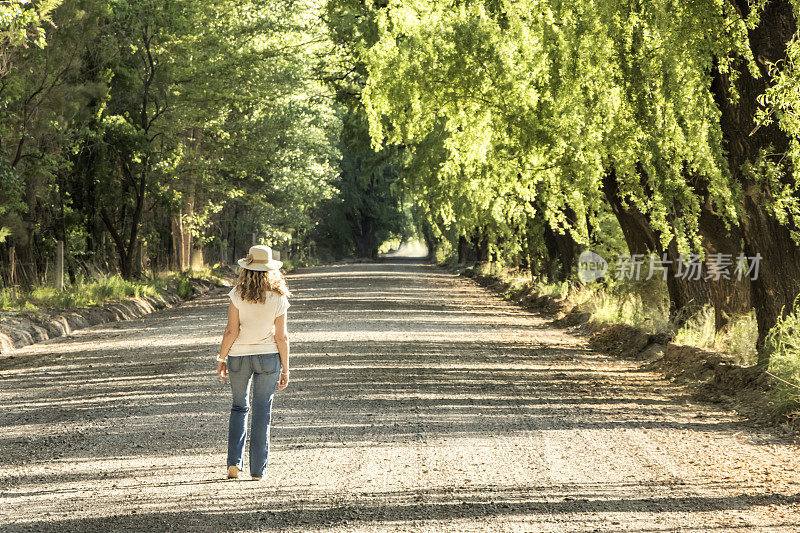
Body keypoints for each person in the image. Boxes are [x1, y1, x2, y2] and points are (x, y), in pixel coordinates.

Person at [216, 244, 291, 480]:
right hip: (269, 358)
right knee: (262, 412)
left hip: (238, 357)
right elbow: (282, 336)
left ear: (247, 269)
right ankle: (258, 470)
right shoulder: (279, 297)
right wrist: (286, 369)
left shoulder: (237, 294)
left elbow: (231, 330)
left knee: (239, 407)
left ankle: (234, 466)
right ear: (270, 269)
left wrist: (221, 357)